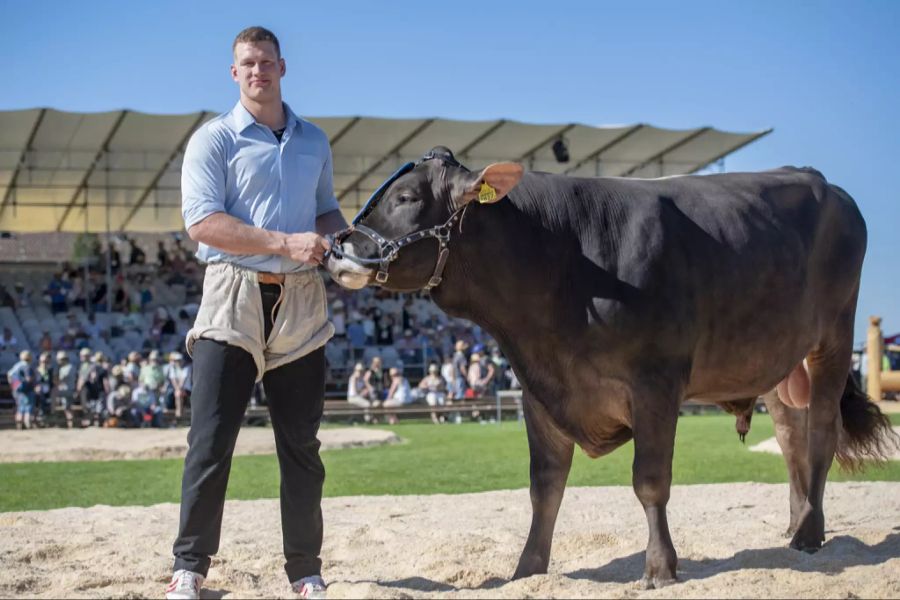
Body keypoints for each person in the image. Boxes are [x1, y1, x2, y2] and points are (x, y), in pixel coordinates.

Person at [167, 26, 347, 600]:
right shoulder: (212, 140)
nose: (257, 71)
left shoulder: (314, 141)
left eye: (266, 61)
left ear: (283, 67)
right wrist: (285, 241)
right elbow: (203, 224)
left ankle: (306, 573)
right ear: (234, 72)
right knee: (211, 441)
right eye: (248, 62)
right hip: (231, 295)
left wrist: (348, 244)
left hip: (301, 299)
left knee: (301, 447)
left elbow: (324, 214)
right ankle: (189, 568)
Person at [7, 350, 35, 429]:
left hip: (17, 389)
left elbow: (9, 375)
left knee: (19, 407)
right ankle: (27, 424)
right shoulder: (27, 366)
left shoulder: (16, 366)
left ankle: (19, 424)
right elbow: (29, 378)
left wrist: (13, 385)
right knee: (28, 407)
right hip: (27, 389)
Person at [55, 350, 78, 429]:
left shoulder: (69, 367)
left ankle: (69, 423)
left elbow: (63, 379)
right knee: (67, 407)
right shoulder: (63, 368)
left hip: (68, 390)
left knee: (67, 407)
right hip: (66, 389)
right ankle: (70, 423)